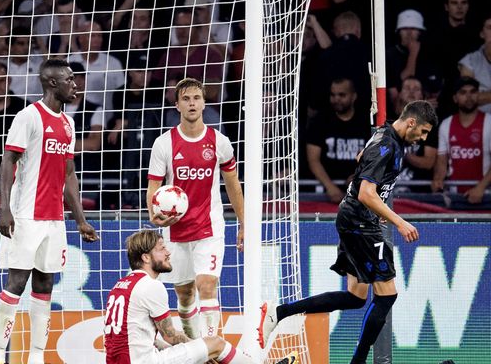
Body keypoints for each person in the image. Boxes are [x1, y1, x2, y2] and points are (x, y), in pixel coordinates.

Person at [258, 100, 438, 364]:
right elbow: (366, 192)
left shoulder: (385, 134)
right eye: (423, 131)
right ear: (411, 122)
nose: (423, 138)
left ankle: (279, 312)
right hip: (360, 222)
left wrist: (377, 206)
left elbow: (360, 159)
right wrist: (399, 221)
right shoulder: (387, 145)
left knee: (356, 297)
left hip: (355, 217)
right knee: (387, 294)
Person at [0, 59, 99, 364]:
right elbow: (8, 162)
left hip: (54, 219)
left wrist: (80, 220)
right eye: (69, 80)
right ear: (52, 83)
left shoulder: (68, 124)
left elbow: (69, 174)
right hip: (25, 215)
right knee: (16, 282)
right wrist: (4, 208)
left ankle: (36, 357)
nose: (75, 85)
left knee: (45, 284)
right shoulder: (28, 117)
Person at [104, 229, 298, 364]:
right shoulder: (151, 286)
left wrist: (199, 352)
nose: (168, 252)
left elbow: (147, 339)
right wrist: (204, 349)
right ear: (146, 257)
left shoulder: (119, 287)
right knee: (216, 343)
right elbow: (170, 336)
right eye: (161, 248)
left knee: (205, 351)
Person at [146, 78, 244, 339]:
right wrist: (154, 215)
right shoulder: (164, 144)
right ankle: (193, 344)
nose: (192, 103)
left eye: (196, 98)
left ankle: (209, 347)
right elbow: (154, 187)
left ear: (204, 103)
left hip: (209, 226)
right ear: (177, 105)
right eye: (186, 99)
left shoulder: (219, 142)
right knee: (185, 294)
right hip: (175, 230)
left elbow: (233, 185)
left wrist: (243, 223)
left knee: (207, 285)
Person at [306, 78, 371, 203]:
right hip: (325, 190)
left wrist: (359, 176)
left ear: (353, 96)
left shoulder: (365, 122)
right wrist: (330, 187)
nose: (336, 99)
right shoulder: (319, 121)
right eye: (333, 95)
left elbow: (375, 156)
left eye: (342, 95)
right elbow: (313, 160)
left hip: (360, 191)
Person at [431, 77, 491, 203]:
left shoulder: (489, 122)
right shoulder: (446, 124)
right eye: (463, 92)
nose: (468, 96)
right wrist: (438, 179)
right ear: (455, 98)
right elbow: (442, 161)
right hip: (455, 197)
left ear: (478, 95)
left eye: (473, 92)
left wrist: (480, 188)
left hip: (485, 197)